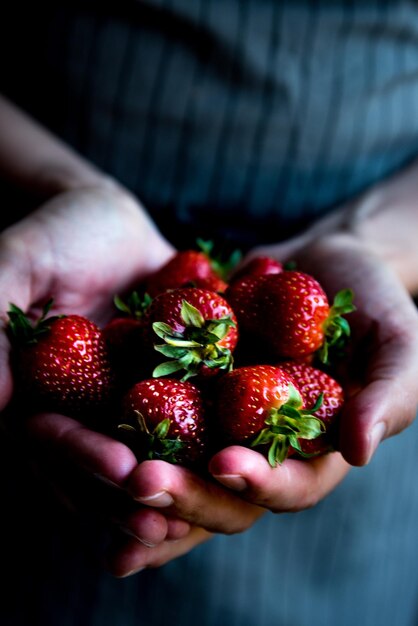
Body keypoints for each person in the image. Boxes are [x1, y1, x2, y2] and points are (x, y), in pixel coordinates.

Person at [1, 2, 418, 624]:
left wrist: (373, 243)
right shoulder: (196, 325)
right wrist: (63, 186)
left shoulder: (249, 333)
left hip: (345, 526)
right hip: (59, 262)